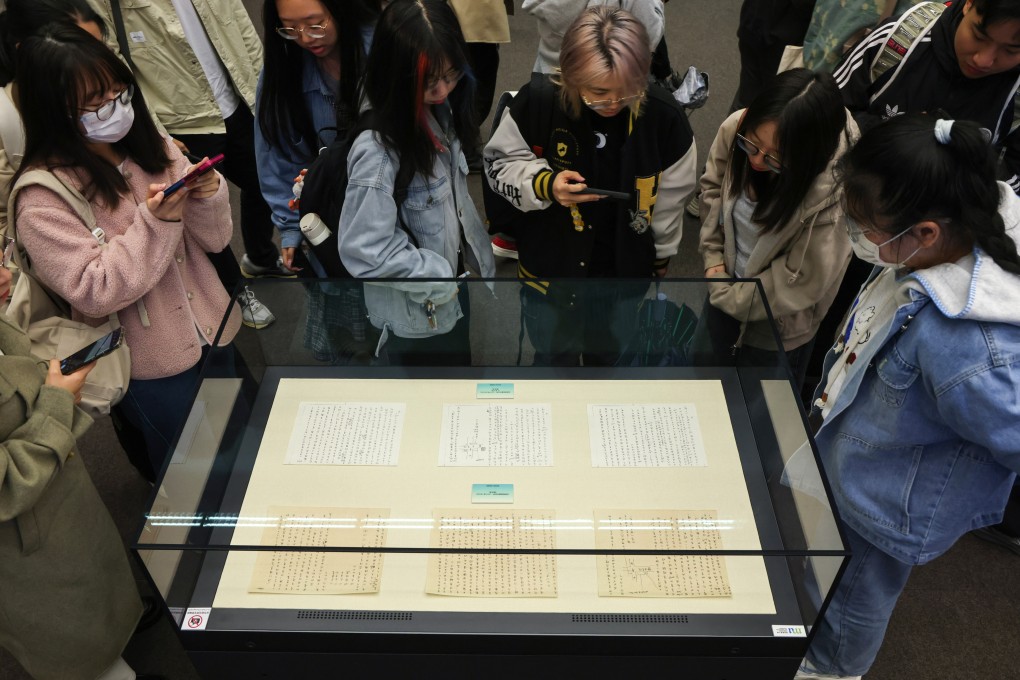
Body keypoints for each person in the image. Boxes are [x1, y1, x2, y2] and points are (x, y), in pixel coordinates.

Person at [796, 114, 1020, 679]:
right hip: (859, 459)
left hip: (884, 505)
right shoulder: (945, 240)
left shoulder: (968, 347)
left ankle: (831, 670)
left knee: (852, 601)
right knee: (827, 572)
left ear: (924, 232)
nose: (857, 236)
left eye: (866, 228)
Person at [10, 25, 241, 481]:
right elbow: (95, 291)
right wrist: (157, 223)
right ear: (53, 112)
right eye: (96, 102)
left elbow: (214, 242)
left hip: (214, 326)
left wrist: (208, 195)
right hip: (147, 362)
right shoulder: (42, 200)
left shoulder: (147, 141)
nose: (116, 108)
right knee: (190, 473)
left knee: (238, 438)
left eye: (120, 91)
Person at [809, 0, 1020, 400]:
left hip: (945, 257)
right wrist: (895, 139)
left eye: (1012, 50)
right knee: (833, 323)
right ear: (967, 5)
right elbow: (824, 112)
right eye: (979, 34)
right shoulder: (899, 41)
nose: (985, 58)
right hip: (858, 224)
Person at [485, 5, 696, 366]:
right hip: (551, 274)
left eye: (627, 92)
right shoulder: (538, 103)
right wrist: (545, 184)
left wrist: (662, 252)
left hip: (621, 276)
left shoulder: (665, 119)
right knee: (552, 360)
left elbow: (671, 200)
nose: (612, 104)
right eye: (597, 92)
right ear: (569, 75)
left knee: (610, 365)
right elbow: (498, 164)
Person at [87, 0, 279, 330]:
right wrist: (155, 129)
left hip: (239, 101)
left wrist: (266, 87)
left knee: (266, 185)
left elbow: (240, 23)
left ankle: (261, 256)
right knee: (195, 214)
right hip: (184, 119)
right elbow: (116, 63)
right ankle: (234, 292)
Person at [0, 263, 148, 680]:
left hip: (55, 490)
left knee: (97, 588)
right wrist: (56, 405)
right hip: (23, 538)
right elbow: (7, 483)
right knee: (71, 642)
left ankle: (117, 636)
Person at [337, 0, 495, 365]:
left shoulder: (437, 108)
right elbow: (364, 249)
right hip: (416, 311)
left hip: (445, 287)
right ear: (397, 73)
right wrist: (440, 276)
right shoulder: (378, 150)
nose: (443, 90)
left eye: (452, 74)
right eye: (428, 82)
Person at [692, 69, 857, 388]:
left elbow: (802, 279)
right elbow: (712, 189)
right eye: (751, 145)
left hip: (778, 326)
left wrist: (725, 295)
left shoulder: (835, 192)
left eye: (776, 159)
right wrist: (714, 262)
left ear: (810, 156)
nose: (756, 161)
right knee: (705, 382)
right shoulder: (737, 127)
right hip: (724, 284)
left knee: (757, 418)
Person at [255, 0, 381, 363]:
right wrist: (291, 229)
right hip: (325, 221)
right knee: (345, 334)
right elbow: (275, 157)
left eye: (315, 24)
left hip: (390, 213)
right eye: (289, 28)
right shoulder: (283, 69)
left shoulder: (385, 49)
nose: (305, 38)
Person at [732, 0, 816, 111]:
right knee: (772, 105)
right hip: (783, 40)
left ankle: (736, 123)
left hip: (755, 22)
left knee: (747, 98)